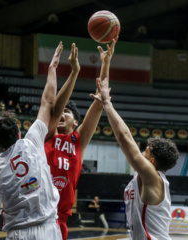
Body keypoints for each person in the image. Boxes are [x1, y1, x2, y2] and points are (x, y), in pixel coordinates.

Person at [0, 42, 63, 239]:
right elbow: (48, 101)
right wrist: (52, 69)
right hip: (47, 229)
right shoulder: (32, 141)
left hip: (17, 233)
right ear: (18, 133)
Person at [44, 38, 117, 240]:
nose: (61, 115)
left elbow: (99, 101)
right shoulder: (47, 135)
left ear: (75, 122)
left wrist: (106, 64)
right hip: (39, 214)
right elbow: (55, 107)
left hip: (60, 220)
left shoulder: (79, 140)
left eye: (67, 112)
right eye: (61, 112)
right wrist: (73, 71)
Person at [91, 77, 179, 239]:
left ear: (152, 162)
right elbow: (128, 139)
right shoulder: (147, 177)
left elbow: (124, 138)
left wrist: (107, 103)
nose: (140, 153)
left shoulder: (152, 177)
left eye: (145, 152)